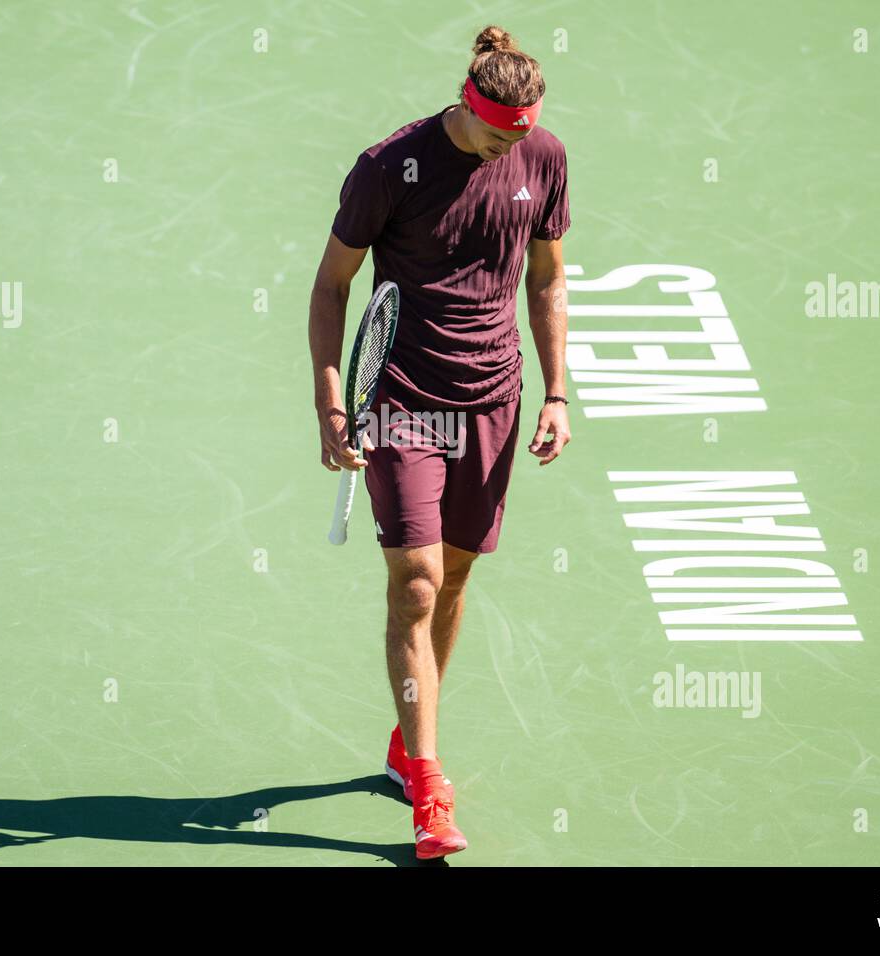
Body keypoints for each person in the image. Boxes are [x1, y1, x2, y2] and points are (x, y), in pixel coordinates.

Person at [308, 24, 571, 860]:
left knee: (454, 577)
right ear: (467, 106)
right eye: (496, 136)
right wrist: (329, 405)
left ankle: (404, 739)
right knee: (416, 585)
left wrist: (557, 391)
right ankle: (428, 785)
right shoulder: (390, 167)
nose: (506, 152)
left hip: (494, 393)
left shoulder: (543, 158)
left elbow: (547, 279)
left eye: (519, 138)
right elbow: (331, 285)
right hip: (405, 397)